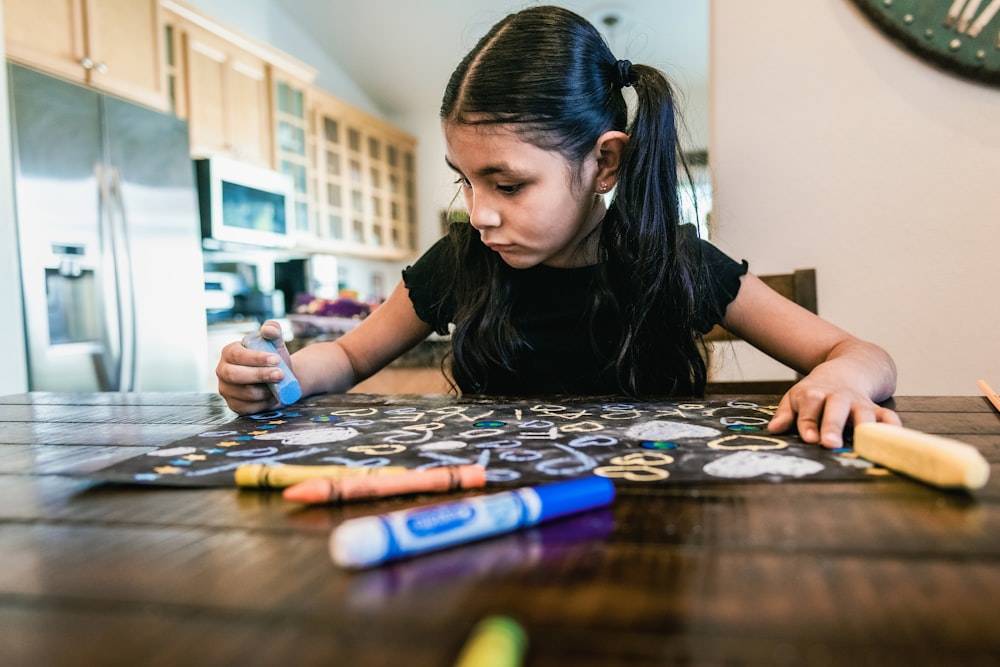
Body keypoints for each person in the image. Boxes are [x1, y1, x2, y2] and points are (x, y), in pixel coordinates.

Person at [217, 5, 899, 448]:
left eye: (508, 184)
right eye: (466, 178)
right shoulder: (460, 262)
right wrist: (282, 375)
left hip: (650, 528)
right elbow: (345, 357)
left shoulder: (675, 262)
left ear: (604, 161)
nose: (478, 212)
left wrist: (842, 380)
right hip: (493, 521)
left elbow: (863, 354)